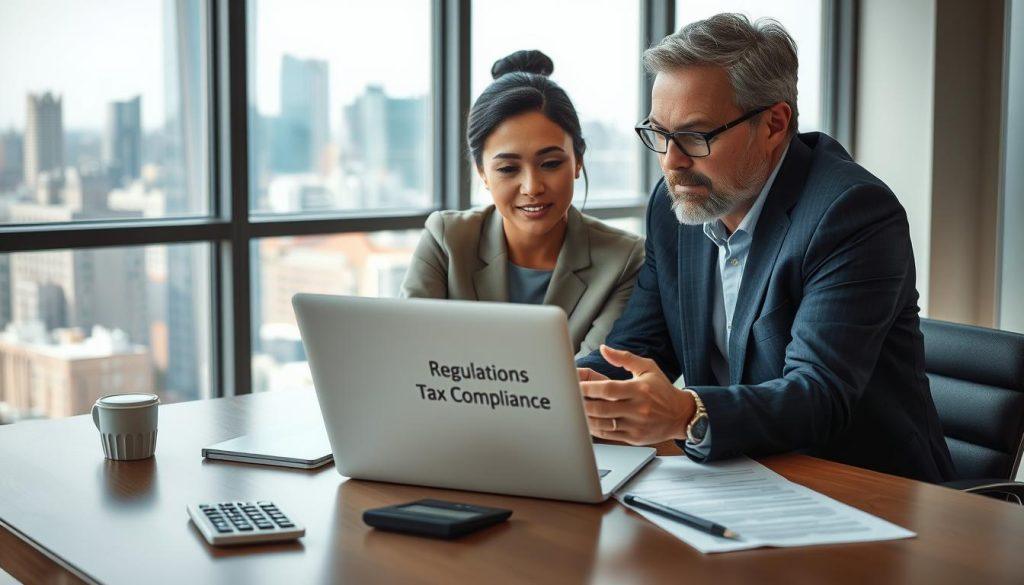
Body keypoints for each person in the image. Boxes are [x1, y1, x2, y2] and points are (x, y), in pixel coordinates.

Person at [576, 14, 956, 483]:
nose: (671, 162)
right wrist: (558, 393)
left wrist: (686, 412)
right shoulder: (675, 206)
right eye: (659, 134)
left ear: (775, 124)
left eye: (695, 136)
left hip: (865, 490)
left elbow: (818, 395)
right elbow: (638, 349)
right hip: (739, 478)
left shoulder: (851, 212)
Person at [402, 50, 644, 358]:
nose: (532, 187)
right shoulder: (446, 239)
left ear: (578, 161)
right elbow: (412, 355)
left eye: (551, 163)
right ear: (482, 173)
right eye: (507, 169)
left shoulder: (624, 260)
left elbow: (589, 380)